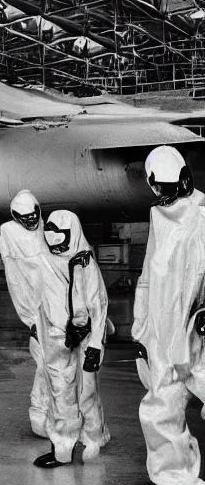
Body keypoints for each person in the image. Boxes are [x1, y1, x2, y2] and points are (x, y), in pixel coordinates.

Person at [133, 145, 205, 485]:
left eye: (171, 187)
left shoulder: (202, 214)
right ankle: (175, 479)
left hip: (198, 332)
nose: (167, 195)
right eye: (160, 188)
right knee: (161, 409)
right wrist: (142, 331)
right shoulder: (158, 217)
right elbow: (148, 278)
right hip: (164, 335)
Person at [34, 209, 110, 468]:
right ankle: (63, 448)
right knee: (61, 393)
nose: (55, 242)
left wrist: (95, 344)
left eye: (61, 236)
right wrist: (38, 328)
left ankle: (94, 438)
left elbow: (98, 306)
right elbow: (41, 301)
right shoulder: (44, 261)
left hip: (86, 337)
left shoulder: (85, 263)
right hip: (57, 338)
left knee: (87, 391)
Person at [0, 190, 50, 437]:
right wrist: (31, 319)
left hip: (57, 310)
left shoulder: (47, 230)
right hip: (37, 315)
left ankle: (53, 416)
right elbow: (16, 282)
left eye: (33, 216)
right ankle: (39, 416)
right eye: (25, 218)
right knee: (46, 366)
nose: (30, 221)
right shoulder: (9, 233)